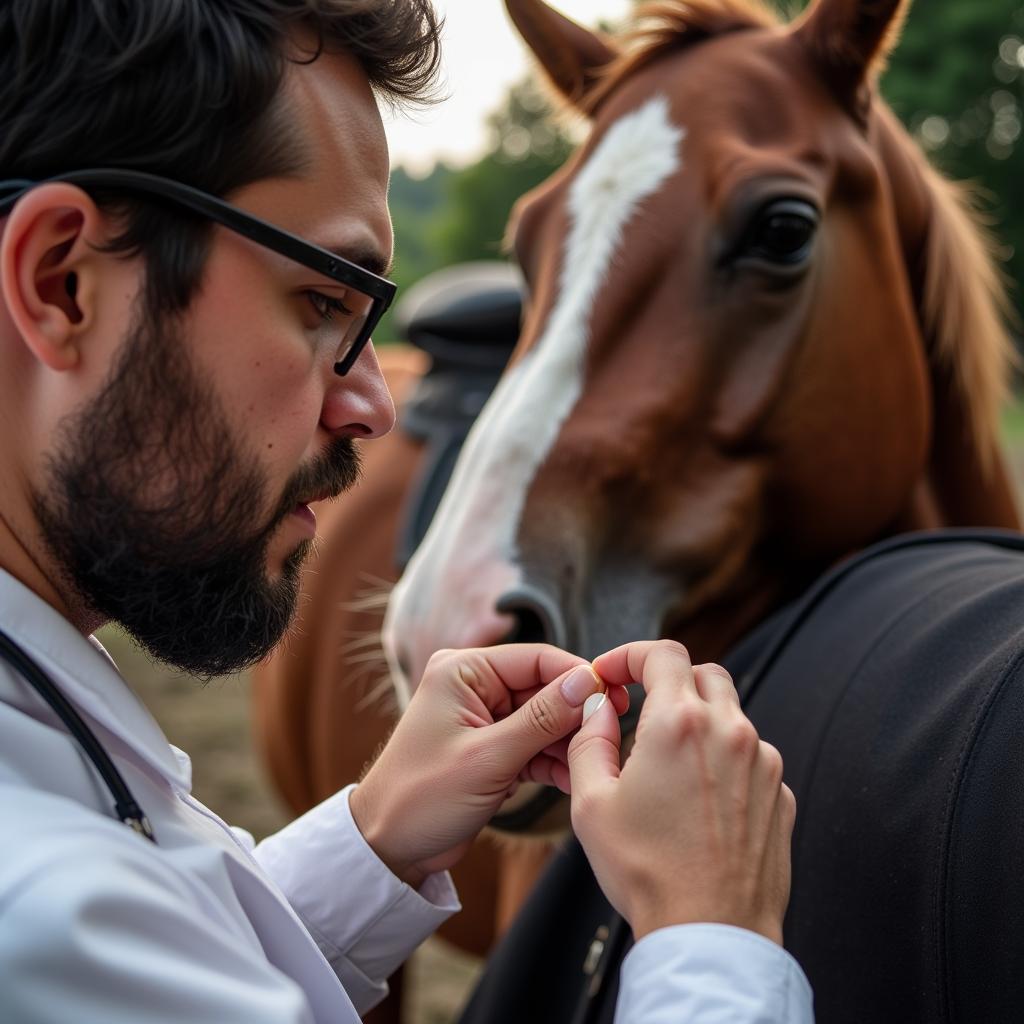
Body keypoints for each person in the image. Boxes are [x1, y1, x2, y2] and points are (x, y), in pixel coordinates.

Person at [0, 2, 811, 1022]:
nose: (375, 405)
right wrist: (712, 932)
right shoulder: (39, 914)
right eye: (321, 302)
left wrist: (375, 835)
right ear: (60, 281)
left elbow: (171, 946)